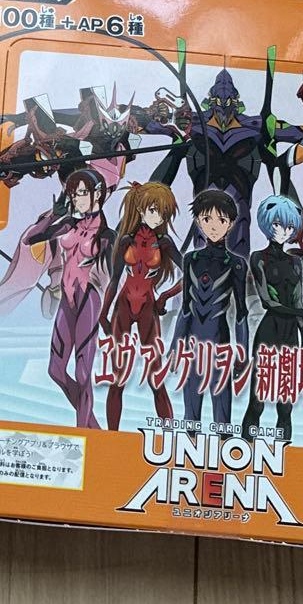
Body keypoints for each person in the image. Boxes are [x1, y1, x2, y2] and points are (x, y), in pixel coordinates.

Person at [24, 168, 115, 429]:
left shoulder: (107, 236)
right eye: (74, 194)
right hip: (67, 300)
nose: (77, 199)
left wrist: (107, 315)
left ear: (98, 193)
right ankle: (93, 427)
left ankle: (83, 431)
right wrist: (54, 215)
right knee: (55, 370)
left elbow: (113, 278)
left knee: (82, 373)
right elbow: (30, 238)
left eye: (83, 193)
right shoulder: (68, 224)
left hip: (89, 299)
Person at [99, 181, 181, 428]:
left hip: (148, 307)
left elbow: (191, 274)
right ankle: (111, 439)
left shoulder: (164, 243)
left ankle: (170, 437)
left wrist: (165, 296)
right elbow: (115, 279)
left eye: (163, 213)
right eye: (154, 210)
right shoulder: (126, 240)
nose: (158, 217)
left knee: (156, 377)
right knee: (118, 377)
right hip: (123, 306)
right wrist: (103, 314)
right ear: (141, 209)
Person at [173, 188, 248, 428]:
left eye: (221, 220)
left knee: (222, 420)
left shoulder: (236, 264)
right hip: (193, 346)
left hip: (220, 345)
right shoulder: (190, 259)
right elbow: (186, 308)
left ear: (231, 224)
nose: (214, 226)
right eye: (207, 219)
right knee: (190, 418)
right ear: (198, 221)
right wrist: (175, 345)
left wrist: (243, 354)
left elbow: (241, 313)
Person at [240, 195, 303, 442]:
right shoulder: (258, 258)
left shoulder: (297, 263)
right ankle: (245, 449)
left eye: (290, 226)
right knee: (257, 402)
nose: (284, 231)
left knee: (286, 405)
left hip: (291, 335)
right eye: (278, 224)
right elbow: (267, 301)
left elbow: (299, 301)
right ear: (267, 224)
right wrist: (300, 314)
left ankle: (285, 454)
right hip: (269, 331)